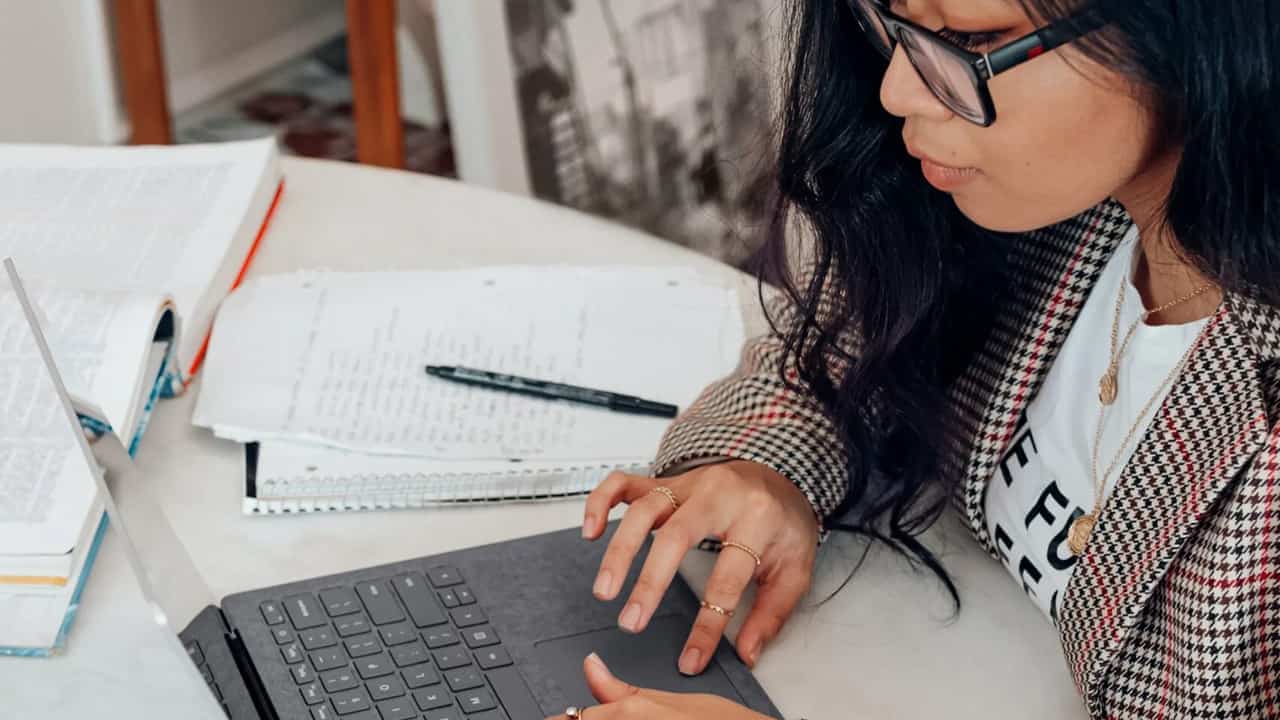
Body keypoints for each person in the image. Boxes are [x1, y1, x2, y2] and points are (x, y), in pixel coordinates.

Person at [546, 0, 1279, 718]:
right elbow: (850, 355)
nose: (897, 87)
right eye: (892, 21)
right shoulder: (1071, 209)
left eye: (971, 35)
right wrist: (763, 473)